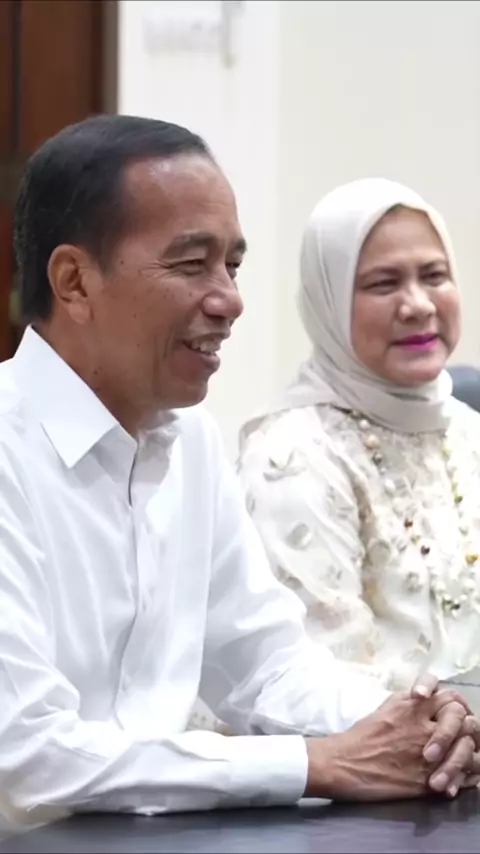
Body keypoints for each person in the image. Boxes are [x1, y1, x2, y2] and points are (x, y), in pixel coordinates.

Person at [0, 123, 478, 830]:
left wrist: (422, 727)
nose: (229, 300)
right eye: (192, 265)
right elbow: (28, 751)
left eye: (232, 266)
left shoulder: (189, 440)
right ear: (74, 281)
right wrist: (314, 764)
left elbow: (266, 665)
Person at [237, 178, 480, 727]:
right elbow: (320, 677)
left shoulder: (467, 431)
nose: (418, 305)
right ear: (327, 300)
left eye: (434, 276)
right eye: (383, 283)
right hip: (360, 759)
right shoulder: (289, 456)